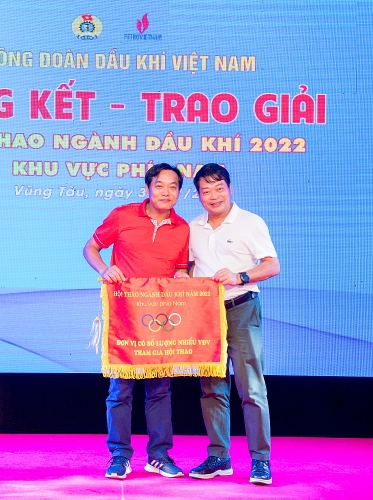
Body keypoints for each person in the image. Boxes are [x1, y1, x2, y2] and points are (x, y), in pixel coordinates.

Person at [83, 163, 190, 480]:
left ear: (179, 192)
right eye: (160, 185)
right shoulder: (123, 215)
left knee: (160, 390)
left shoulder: (182, 228)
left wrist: (183, 279)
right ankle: (119, 456)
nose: (166, 192)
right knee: (121, 390)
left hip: (161, 319)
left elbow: (180, 270)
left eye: (173, 187)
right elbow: (90, 248)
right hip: (124, 316)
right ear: (147, 188)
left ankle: (159, 455)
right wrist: (105, 269)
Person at [186, 163, 280, 485]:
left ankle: (260, 460)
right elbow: (189, 267)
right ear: (198, 196)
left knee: (250, 386)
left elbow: (272, 265)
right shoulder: (193, 227)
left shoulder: (250, 222)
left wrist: (240, 276)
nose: (213, 196)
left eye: (218, 188)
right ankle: (219, 457)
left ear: (230, 189)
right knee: (212, 386)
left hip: (241, 307)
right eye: (206, 191)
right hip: (206, 313)